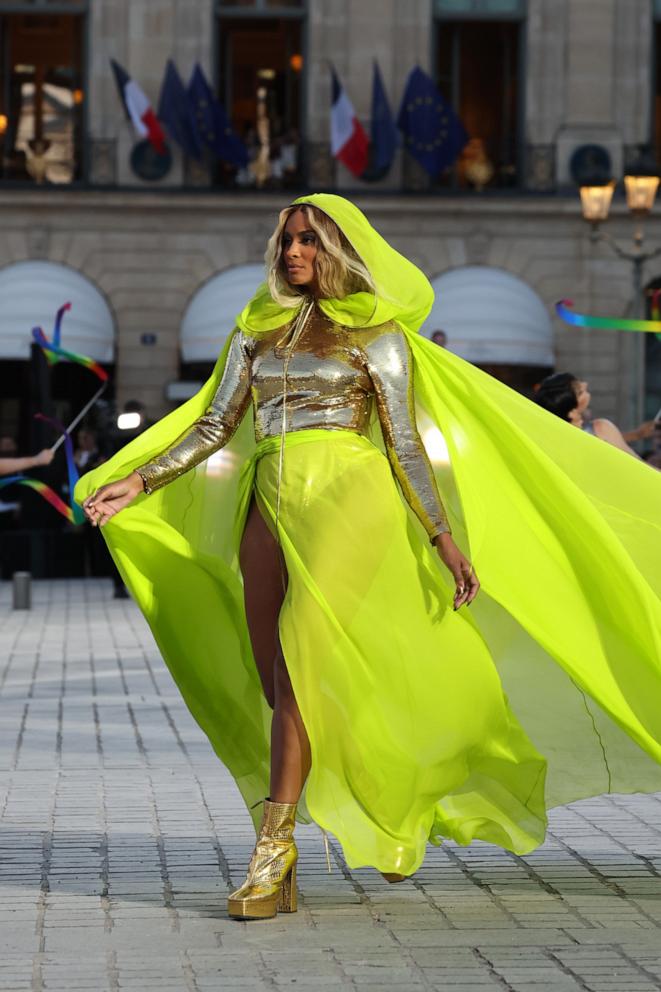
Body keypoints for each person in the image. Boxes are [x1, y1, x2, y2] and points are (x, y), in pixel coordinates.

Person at [77, 195, 661, 924]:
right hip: (267, 502)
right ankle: (382, 793)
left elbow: (405, 446)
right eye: (287, 240)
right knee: (272, 679)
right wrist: (141, 478)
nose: (293, 253)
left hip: (348, 503)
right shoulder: (254, 333)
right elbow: (212, 423)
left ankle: (272, 853)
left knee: (297, 673)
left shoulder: (377, 336)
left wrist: (442, 538)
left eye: (308, 241)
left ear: (338, 248)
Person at [533, 372, 643, 458]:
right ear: (571, 412)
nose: (585, 384)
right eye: (580, 391)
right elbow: (640, 466)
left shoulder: (547, 446)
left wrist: (638, 434)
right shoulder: (601, 429)